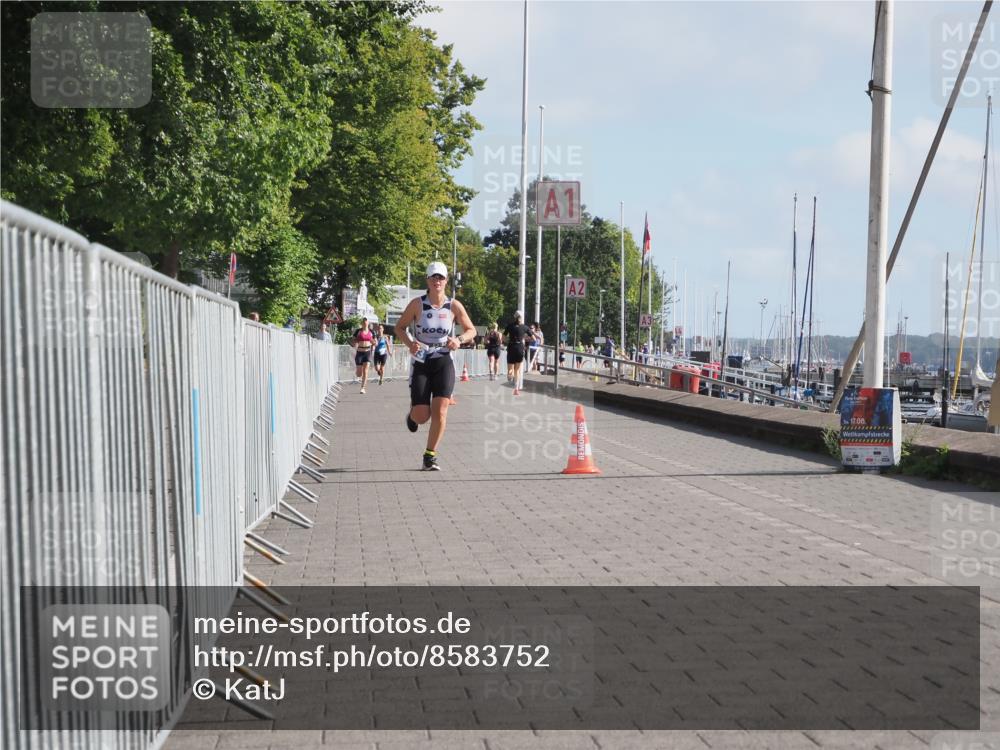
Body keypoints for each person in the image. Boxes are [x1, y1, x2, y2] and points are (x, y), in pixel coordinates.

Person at [394, 261, 477, 471]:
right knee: (423, 416)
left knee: (441, 411)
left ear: (446, 281)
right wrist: (410, 343)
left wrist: (459, 340)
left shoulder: (454, 306)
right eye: (433, 277)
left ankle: (429, 455)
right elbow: (400, 327)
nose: (437, 281)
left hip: (443, 360)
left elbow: (471, 330)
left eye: (440, 277)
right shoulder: (417, 304)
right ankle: (412, 415)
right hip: (422, 361)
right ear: (427, 281)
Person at [503, 311, 534, 396]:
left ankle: (510, 375)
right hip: (520, 347)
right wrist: (525, 339)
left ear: (514, 317)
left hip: (511, 347)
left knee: (510, 369)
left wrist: (508, 341)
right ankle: (516, 389)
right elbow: (533, 338)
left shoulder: (509, 326)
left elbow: (503, 337)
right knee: (517, 370)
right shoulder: (525, 327)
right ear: (521, 317)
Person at [352, 317, 374, 394]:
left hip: (367, 352)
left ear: (368, 323)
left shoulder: (371, 332)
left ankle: (363, 388)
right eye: (363, 322)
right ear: (362, 323)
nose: (365, 323)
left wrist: (374, 342)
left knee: (365, 371)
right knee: (359, 374)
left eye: (366, 322)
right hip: (360, 352)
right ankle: (358, 371)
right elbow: (353, 340)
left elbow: (375, 341)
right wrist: (354, 342)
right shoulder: (358, 331)